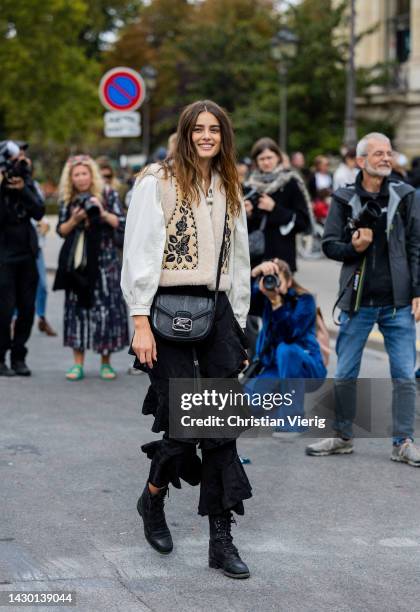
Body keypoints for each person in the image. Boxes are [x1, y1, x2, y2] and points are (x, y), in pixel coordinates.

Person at [121, 100, 252, 578]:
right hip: (163, 311)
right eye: (198, 129)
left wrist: (238, 323)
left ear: (224, 136)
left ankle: (222, 540)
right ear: (185, 132)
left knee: (219, 426)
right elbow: (137, 251)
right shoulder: (157, 181)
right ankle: (153, 498)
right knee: (181, 425)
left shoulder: (230, 182)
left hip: (215, 311)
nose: (206, 136)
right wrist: (138, 321)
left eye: (214, 129)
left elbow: (237, 260)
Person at [306, 132, 420, 466]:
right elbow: (329, 245)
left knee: (403, 375)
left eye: (389, 153)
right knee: (345, 374)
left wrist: (417, 292)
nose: (387, 158)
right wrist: (353, 247)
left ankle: (403, 442)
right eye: (379, 153)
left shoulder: (406, 194)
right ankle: (342, 436)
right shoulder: (343, 198)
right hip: (357, 304)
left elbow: (416, 246)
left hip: (398, 304)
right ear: (361, 160)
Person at [54, 155, 129, 380]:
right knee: (78, 311)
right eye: (76, 174)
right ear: (70, 178)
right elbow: (61, 230)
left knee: (105, 310)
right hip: (79, 262)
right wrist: (76, 219)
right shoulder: (68, 199)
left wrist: (102, 212)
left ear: (92, 174)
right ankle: (78, 363)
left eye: (84, 173)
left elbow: (123, 223)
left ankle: (106, 362)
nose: (81, 178)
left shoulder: (108, 194)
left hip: (106, 261)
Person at [247, 259, 326, 435]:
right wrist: (254, 274)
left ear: (289, 281)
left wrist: (277, 304)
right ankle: (279, 404)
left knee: (285, 350)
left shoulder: (304, 300)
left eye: (277, 280)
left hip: (307, 368)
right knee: (244, 405)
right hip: (274, 368)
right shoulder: (265, 298)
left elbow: (290, 334)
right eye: (269, 280)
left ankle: (293, 420)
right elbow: (242, 300)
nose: (272, 285)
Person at [0, 140, 45, 376]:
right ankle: (0, 358)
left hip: (27, 254)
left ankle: (19, 357)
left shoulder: (26, 181)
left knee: (27, 309)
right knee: (4, 311)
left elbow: (39, 210)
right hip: (4, 256)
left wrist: (23, 188)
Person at [244, 137, 311, 271]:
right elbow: (246, 227)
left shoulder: (290, 182)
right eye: (262, 159)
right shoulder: (250, 185)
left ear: (278, 158)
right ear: (256, 162)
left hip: (282, 258)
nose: (266, 162)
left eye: (270, 157)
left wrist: (274, 208)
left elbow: (303, 222)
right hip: (255, 258)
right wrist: (248, 214)